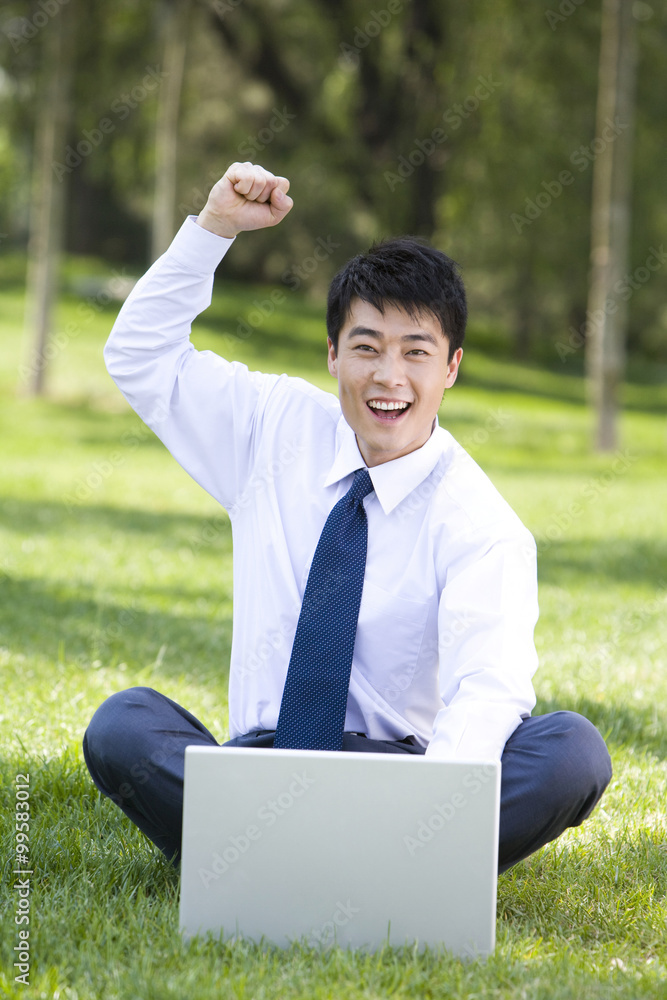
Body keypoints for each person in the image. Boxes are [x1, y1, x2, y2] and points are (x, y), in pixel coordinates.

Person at [83, 161, 612, 872]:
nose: (388, 377)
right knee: (123, 724)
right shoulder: (270, 428)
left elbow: (486, 688)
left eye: (415, 352)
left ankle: (312, 861)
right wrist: (213, 229)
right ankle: (362, 868)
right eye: (365, 348)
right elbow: (140, 355)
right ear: (332, 354)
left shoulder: (482, 525)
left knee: (571, 751)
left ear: (450, 367)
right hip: (260, 766)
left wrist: (424, 813)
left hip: (402, 780)